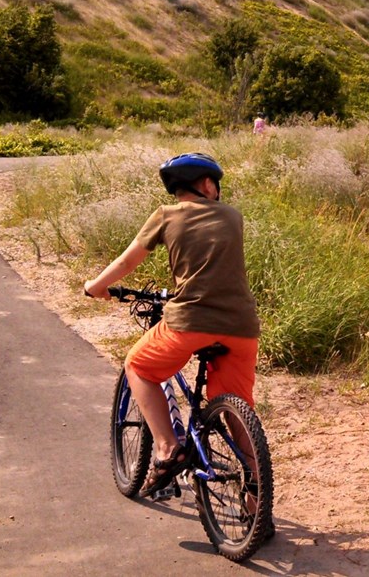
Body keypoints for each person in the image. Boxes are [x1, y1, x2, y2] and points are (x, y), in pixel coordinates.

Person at [84, 152, 260, 496]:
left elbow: (127, 260)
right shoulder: (233, 216)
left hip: (190, 321)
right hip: (242, 327)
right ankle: (257, 498)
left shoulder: (166, 216)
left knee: (138, 366)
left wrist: (96, 286)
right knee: (236, 406)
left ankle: (166, 449)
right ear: (208, 185)